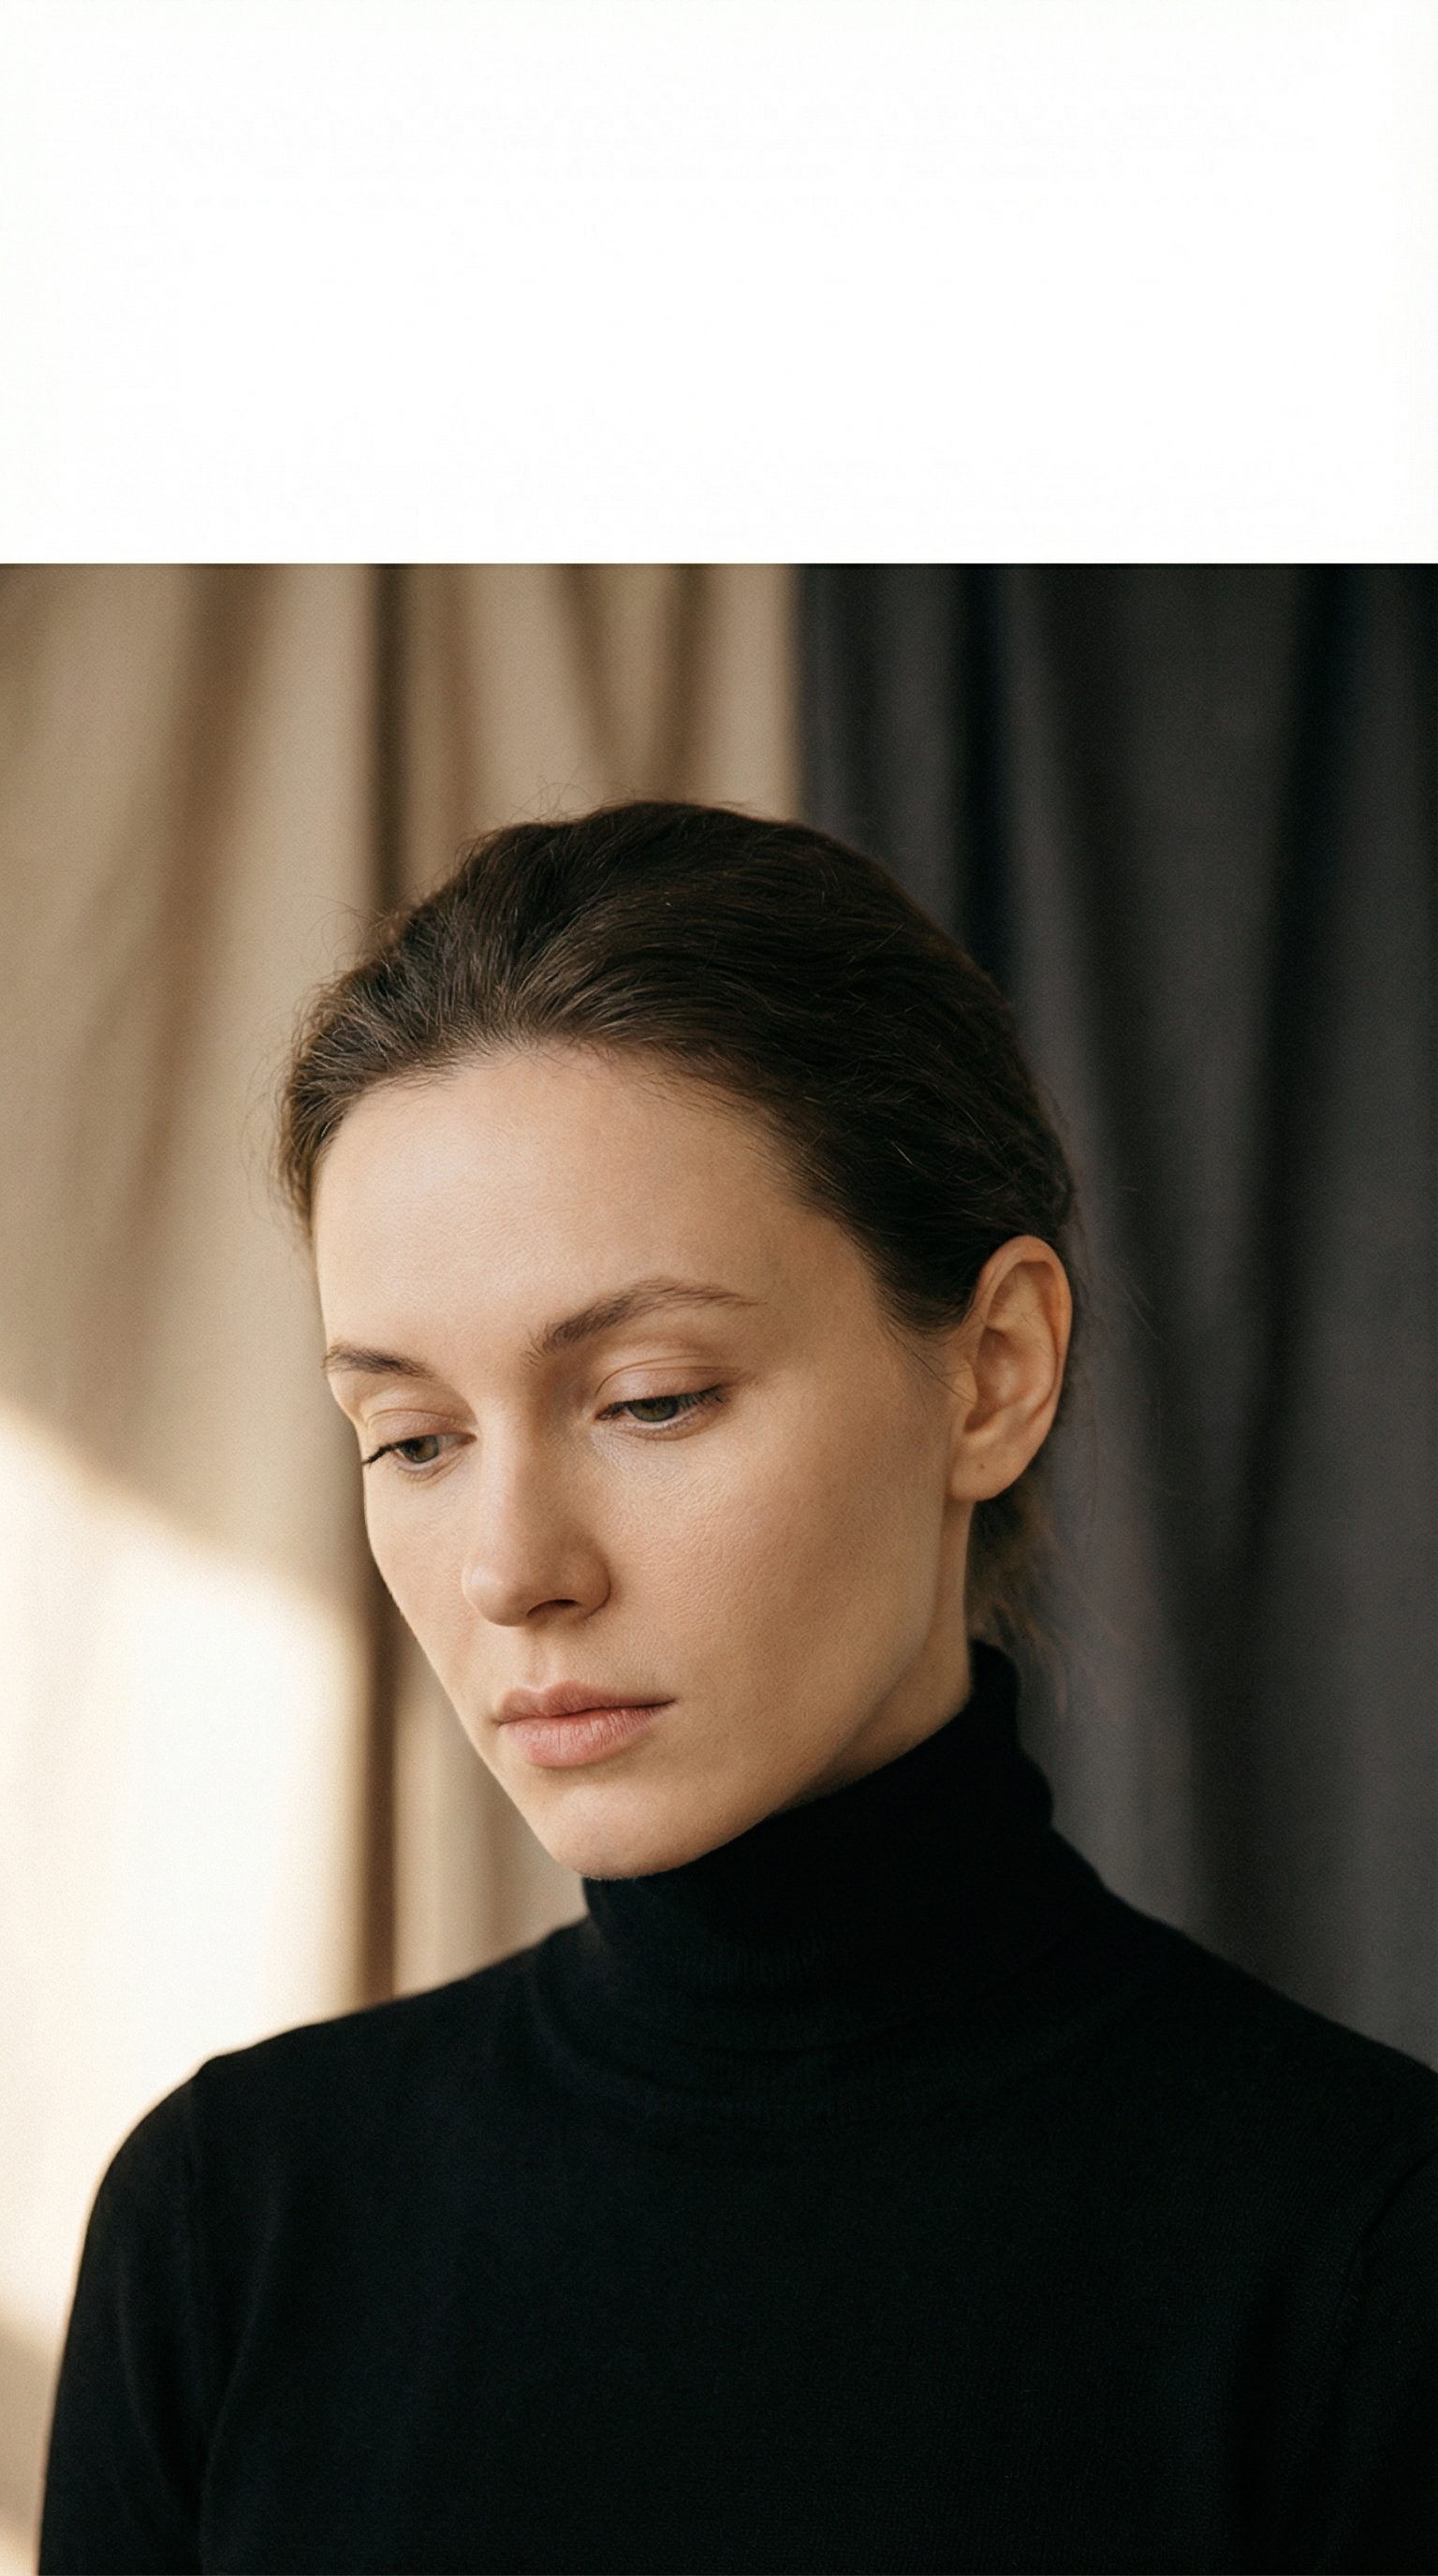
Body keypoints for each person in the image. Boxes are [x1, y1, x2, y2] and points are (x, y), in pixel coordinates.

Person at [39, 800, 1436, 2574]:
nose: (510, 1568)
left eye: (650, 1399)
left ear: (994, 1371)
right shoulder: (228, 2227)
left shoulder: (1362, 2257)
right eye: (412, 1436)